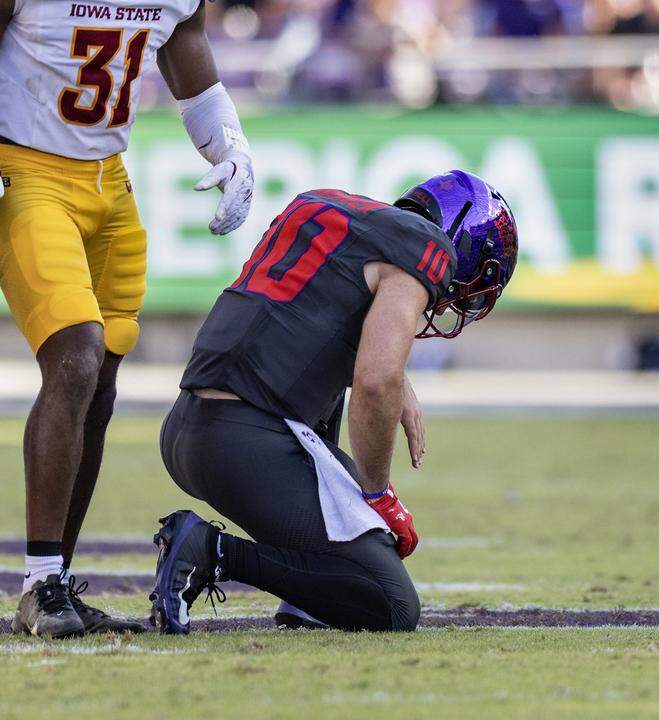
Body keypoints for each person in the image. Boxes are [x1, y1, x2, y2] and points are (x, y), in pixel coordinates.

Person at [152, 172, 518, 633]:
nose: (450, 303)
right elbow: (374, 381)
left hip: (186, 429)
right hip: (243, 444)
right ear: (461, 240)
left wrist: (391, 373)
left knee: (356, 515)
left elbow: (303, 321)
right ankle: (211, 552)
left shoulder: (324, 203)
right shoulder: (427, 247)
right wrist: (377, 494)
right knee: (392, 603)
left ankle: (303, 600)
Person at [0, 0, 255, 638]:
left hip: (109, 184)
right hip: (28, 174)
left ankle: (53, 579)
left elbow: (185, 48)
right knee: (75, 356)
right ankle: (38, 583)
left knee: (100, 383)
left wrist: (228, 143)